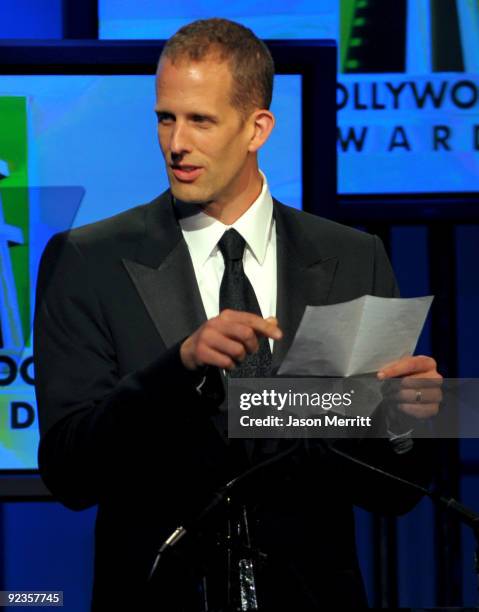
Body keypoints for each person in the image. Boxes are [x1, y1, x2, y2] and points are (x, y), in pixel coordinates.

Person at [34, 18, 442, 611]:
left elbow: (392, 494)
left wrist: (403, 424)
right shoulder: (88, 261)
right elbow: (71, 471)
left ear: (257, 128)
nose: (176, 142)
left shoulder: (352, 257)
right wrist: (178, 368)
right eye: (165, 118)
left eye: (200, 120)